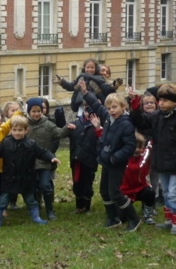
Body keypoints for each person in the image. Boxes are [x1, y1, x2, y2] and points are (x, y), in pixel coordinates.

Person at [130, 83, 176, 236]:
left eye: (165, 101)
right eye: (160, 100)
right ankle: (169, 220)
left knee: (174, 193)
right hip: (162, 163)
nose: (161, 103)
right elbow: (141, 121)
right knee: (165, 192)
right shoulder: (158, 116)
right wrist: (135, 105)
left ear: (174, 102)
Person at [0, 115, 61, 229]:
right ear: (10, 130)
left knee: (31, 200)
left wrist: (51, 157)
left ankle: (36, 217)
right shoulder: (6, 142)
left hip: (26, 178)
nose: (17, 133)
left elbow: (42, 152)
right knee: (3, 200)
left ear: (26, 130)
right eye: (14, 130)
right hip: (9, 179)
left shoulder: (31, 143)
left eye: (20, 130)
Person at [61, 78, 108, 214]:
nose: (89, 113)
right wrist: (66, 127)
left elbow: (102, 141)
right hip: (76, 159)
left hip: (89, 160)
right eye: (86, 110)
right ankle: (78, 205)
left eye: (92, 111)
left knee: (87, 184)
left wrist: (97, 127)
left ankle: (86, 206)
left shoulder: (98, 126)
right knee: (77, 183)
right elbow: (62, 133)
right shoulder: (76, 123)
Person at [97, 92, 139, 232]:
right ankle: (113, 218)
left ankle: (134, 219)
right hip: (106, 160)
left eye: (114, 107)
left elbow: (129, 146)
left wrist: (115, 157)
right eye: (109, 108)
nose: (111, 111)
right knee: (104, 191)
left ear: (123, 106)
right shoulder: (109, 120)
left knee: (115, 193)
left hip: (117, 163)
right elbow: (105, 138)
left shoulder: (126, 124)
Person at [25, 97, 65, 220]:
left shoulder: (48, 124)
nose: (36, 114)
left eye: (39, 111)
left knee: (45, 185)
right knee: (32, 186)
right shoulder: (24, 124)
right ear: (29, 112)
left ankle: (50, 210)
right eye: (33, 111)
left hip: (45, 162)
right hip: (29, 162)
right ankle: (35, 208)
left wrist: (69, 127)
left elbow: (59, 133)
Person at [120, 132, 157, 225]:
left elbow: (155, 140)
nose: (137, 150)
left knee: (150, 191)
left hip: (141, 188)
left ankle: (148, 214)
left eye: (139, 147)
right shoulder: (122, 156)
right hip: (125, 191)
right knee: (122, 219)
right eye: (134, 147)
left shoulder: (145, 155)